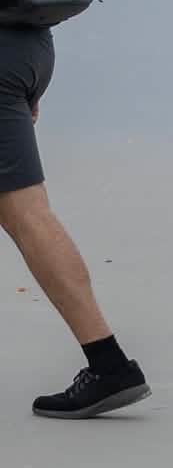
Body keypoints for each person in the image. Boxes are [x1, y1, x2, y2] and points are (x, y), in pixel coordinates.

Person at [1, 31, 150, 418]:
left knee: (25, 211)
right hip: (29, 46)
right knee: (24, 210)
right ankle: (108, 364)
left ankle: (109, 364)